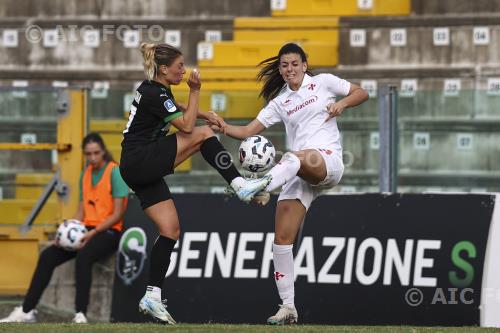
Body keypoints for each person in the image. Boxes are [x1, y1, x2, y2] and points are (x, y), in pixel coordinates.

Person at [208, 42, 369, 325]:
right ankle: (288, 308)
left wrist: (342, 103)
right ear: (280, 70)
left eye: (294, 63)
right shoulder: (281, 102)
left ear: (304, 65)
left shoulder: (323, 83)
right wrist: (224, 127)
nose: (289, 69)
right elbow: (247, 131)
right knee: (281, 240)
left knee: (293, 157)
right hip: (297, 173)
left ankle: (258, 187)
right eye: (284, 65)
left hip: (326, 161)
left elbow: (362, 92)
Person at [118, 42, 270, 324]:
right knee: (201, 134)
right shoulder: (155, 91)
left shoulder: (155, 89)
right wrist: (196, 90)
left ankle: (152, 295)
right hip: (140, 160)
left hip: (136, 166)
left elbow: (174, 108)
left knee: (170, 229)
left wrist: (204, 112)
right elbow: (186, 127)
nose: (184, 70)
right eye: (179, 66)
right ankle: (239, 184)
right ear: (164, 69)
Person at [0, 133, 129, 324]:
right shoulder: (85, 175)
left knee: (84, 257)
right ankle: (27, 311)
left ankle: (80, 314)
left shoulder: (115, 172)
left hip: (109, 231)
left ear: (103, 152)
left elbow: (118, 214)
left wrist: (93, 233)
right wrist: (64, 235)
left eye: (96, 153)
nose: (93, 158)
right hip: (86, 230)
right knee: (47, 256)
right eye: (88, 154)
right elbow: (80, 212)